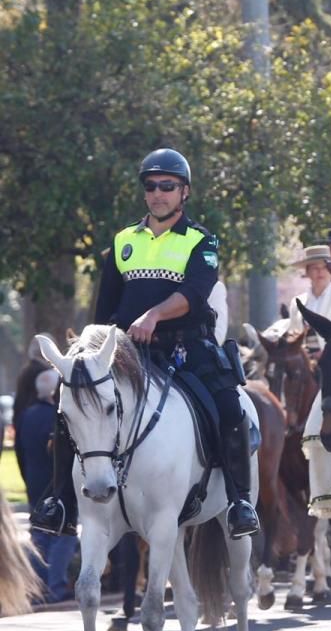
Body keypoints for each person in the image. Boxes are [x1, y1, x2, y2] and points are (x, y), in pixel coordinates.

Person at [29, 148, 258, 538]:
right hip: (126, 351)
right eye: (150, 186)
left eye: (167, 186)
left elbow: (196, 293)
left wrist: (154, 315)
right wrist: (89, 351)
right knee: (72, 403)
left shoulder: (201, 240)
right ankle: (61, 502)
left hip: (185, 348)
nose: (157, 193)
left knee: (229, 406)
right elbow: (105, 309)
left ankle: (239, 502)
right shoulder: (122, 241)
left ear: (184, 192)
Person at [19, 368, 78, 602]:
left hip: (34, 480)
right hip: (57, 481)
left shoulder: (27, 414)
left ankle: (38, 586)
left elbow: (21, 452)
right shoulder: (58, 415)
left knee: (39, 534)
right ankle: (57, 585)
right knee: (65, 532)